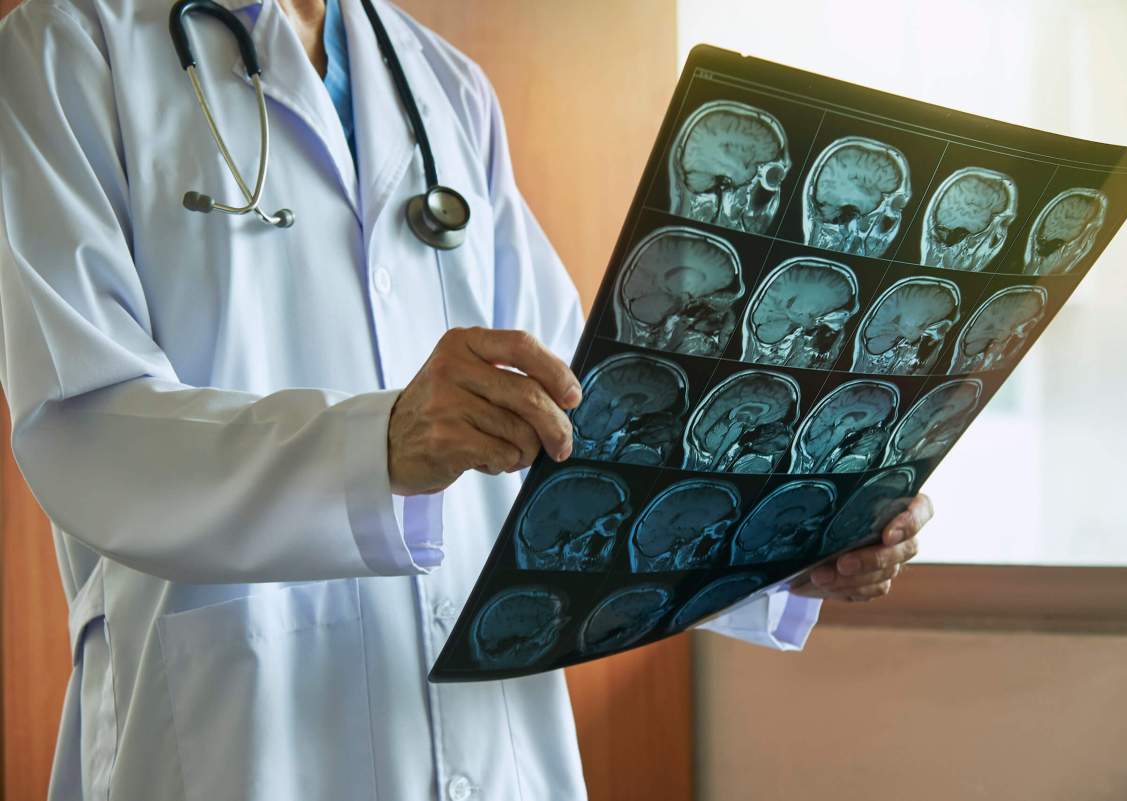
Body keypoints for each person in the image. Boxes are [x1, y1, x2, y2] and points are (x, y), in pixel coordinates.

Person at [0, 0, 932, 798]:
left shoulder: (438, 84)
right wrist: (379, 446)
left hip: (489, 736)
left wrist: (777, 538)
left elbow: (584, 416)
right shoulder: (63, 54)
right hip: (235, 729)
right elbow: (84, 427)